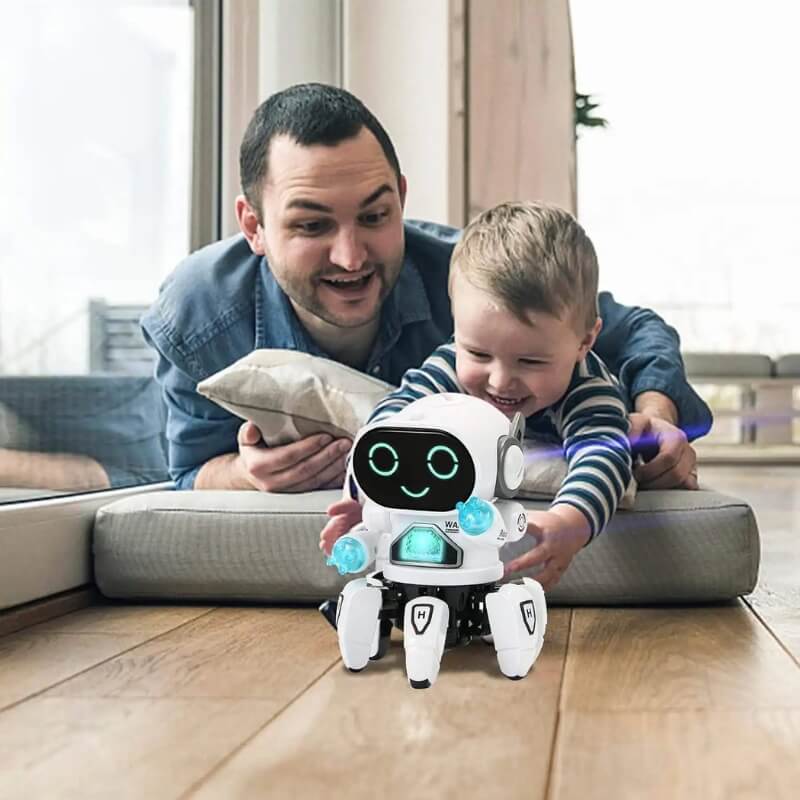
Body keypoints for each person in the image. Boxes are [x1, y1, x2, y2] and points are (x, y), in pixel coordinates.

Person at [140, 82, 711, 496]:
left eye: (375, 215)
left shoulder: (472, 278)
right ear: (254, 227)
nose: (351, 256)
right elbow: (188, 472)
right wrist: (244, 475)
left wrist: (655, 411)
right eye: (312, 225)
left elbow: (635, 329)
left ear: (402, 199)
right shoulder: (197, 315)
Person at [321, 201, 632, 590]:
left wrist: (571, 520)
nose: (501, 381)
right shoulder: (450, 366)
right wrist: (368, 497)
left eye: (531, 361)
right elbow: (390, 421)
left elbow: (604, 454)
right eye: (479, 354)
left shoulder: (587, 390)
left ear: (584, 342)